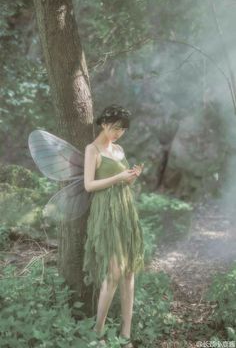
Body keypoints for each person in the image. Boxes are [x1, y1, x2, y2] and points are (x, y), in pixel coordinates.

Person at [83, 105, 144, 348]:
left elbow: (123, 183)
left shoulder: (119, 149)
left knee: (129, 271)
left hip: (125, 210)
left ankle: (126, 335)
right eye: (115, 127)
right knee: (115, 272)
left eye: (122, 129)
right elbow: (89, 185)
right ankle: (98, 332)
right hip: (105, 213)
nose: (118, 133)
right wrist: (118, 177)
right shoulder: (92, 149)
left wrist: (130, 178)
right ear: (103, 123)